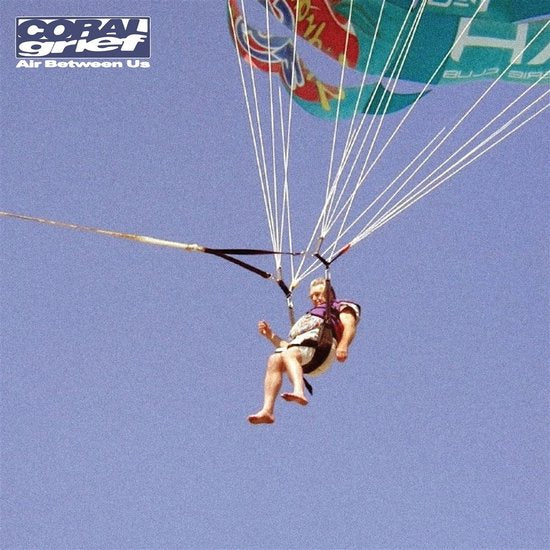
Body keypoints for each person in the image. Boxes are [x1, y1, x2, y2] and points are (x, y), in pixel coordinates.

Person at [248, 277, 360, 424]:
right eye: (312, 296)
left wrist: (344, 345)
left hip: (322, 348)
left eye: (318, 294)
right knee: (274, 359)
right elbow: (288, 346)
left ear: (330, 293)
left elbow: (349, 325)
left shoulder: (339, 306)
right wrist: (270, 335)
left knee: (289, 354)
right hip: (306, 355)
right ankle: (267, 411)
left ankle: (299, 391)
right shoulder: (308, 318)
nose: (315, 298)